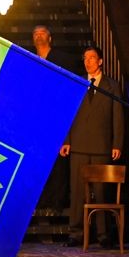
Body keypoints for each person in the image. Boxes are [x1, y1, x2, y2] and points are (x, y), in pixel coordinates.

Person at [59, 46, 124, 248]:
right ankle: (76, 232)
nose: (88, 61)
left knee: (101, 191)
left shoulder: (111, 86)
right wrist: (66, 140)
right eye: (85, 58)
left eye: (92, 57)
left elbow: (118, 117)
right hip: (78, 144)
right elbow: (67, 114)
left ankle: (103, 233)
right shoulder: (77, 83)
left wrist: (117, 143)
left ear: (101, 61)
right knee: (77, 191)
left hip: (102, 145)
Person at [33, 24, 76, 213]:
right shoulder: (31, 59)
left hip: (57, 115)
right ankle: (42, 199)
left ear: (50, 38)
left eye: (43, 33)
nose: (39, 36)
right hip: (37, 118)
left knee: (58, 163)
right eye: (36, 33)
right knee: (39, 162)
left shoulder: (61, 59)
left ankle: (59, 200)